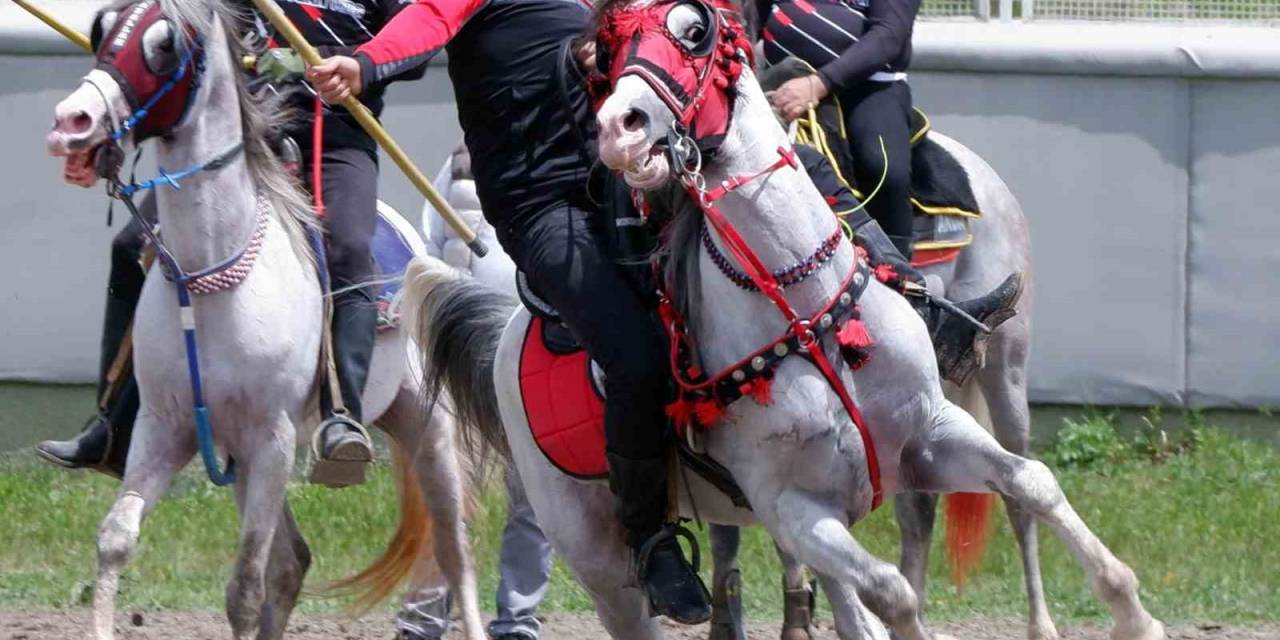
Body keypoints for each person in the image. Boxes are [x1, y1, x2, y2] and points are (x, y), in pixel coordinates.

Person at [305, 0, 713, 624]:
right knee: (637, 356)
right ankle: (651, 539)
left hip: (631, 182)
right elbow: (428, 19)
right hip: (543, 208)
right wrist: (364, 64)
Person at [36, 0, 429, 486]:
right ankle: (112, 425)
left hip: (338, 141)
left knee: (348, 248)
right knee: (130, 245)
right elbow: (177, 42)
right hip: (243, 141)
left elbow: (416, 53)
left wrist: (357, 63)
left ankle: (340, 416)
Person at [757, 0, 1023, 382]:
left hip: (870, 88)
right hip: (778, 84)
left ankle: (912, 305)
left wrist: (818, 84)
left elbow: (888, 36)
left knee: (882, 167)